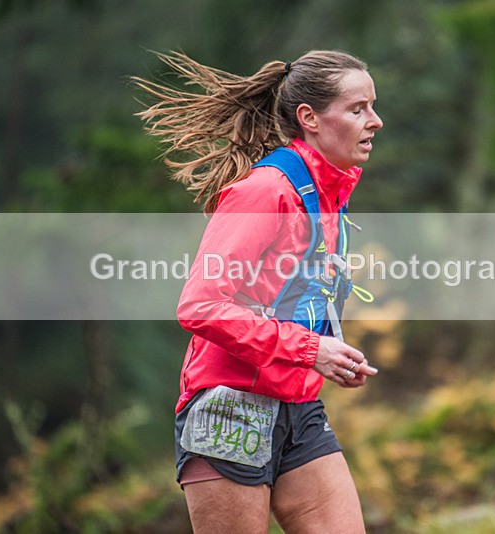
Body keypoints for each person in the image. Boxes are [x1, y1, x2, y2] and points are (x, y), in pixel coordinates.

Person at [134, 49, 382, 533]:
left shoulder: (329, 195)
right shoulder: (265, 192)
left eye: (372, 106)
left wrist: (325, 353)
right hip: (230, 408)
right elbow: (199, 305)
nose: (375, 121)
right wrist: (311, 349)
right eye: (358, 109)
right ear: (309, 118)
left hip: (299, 409)